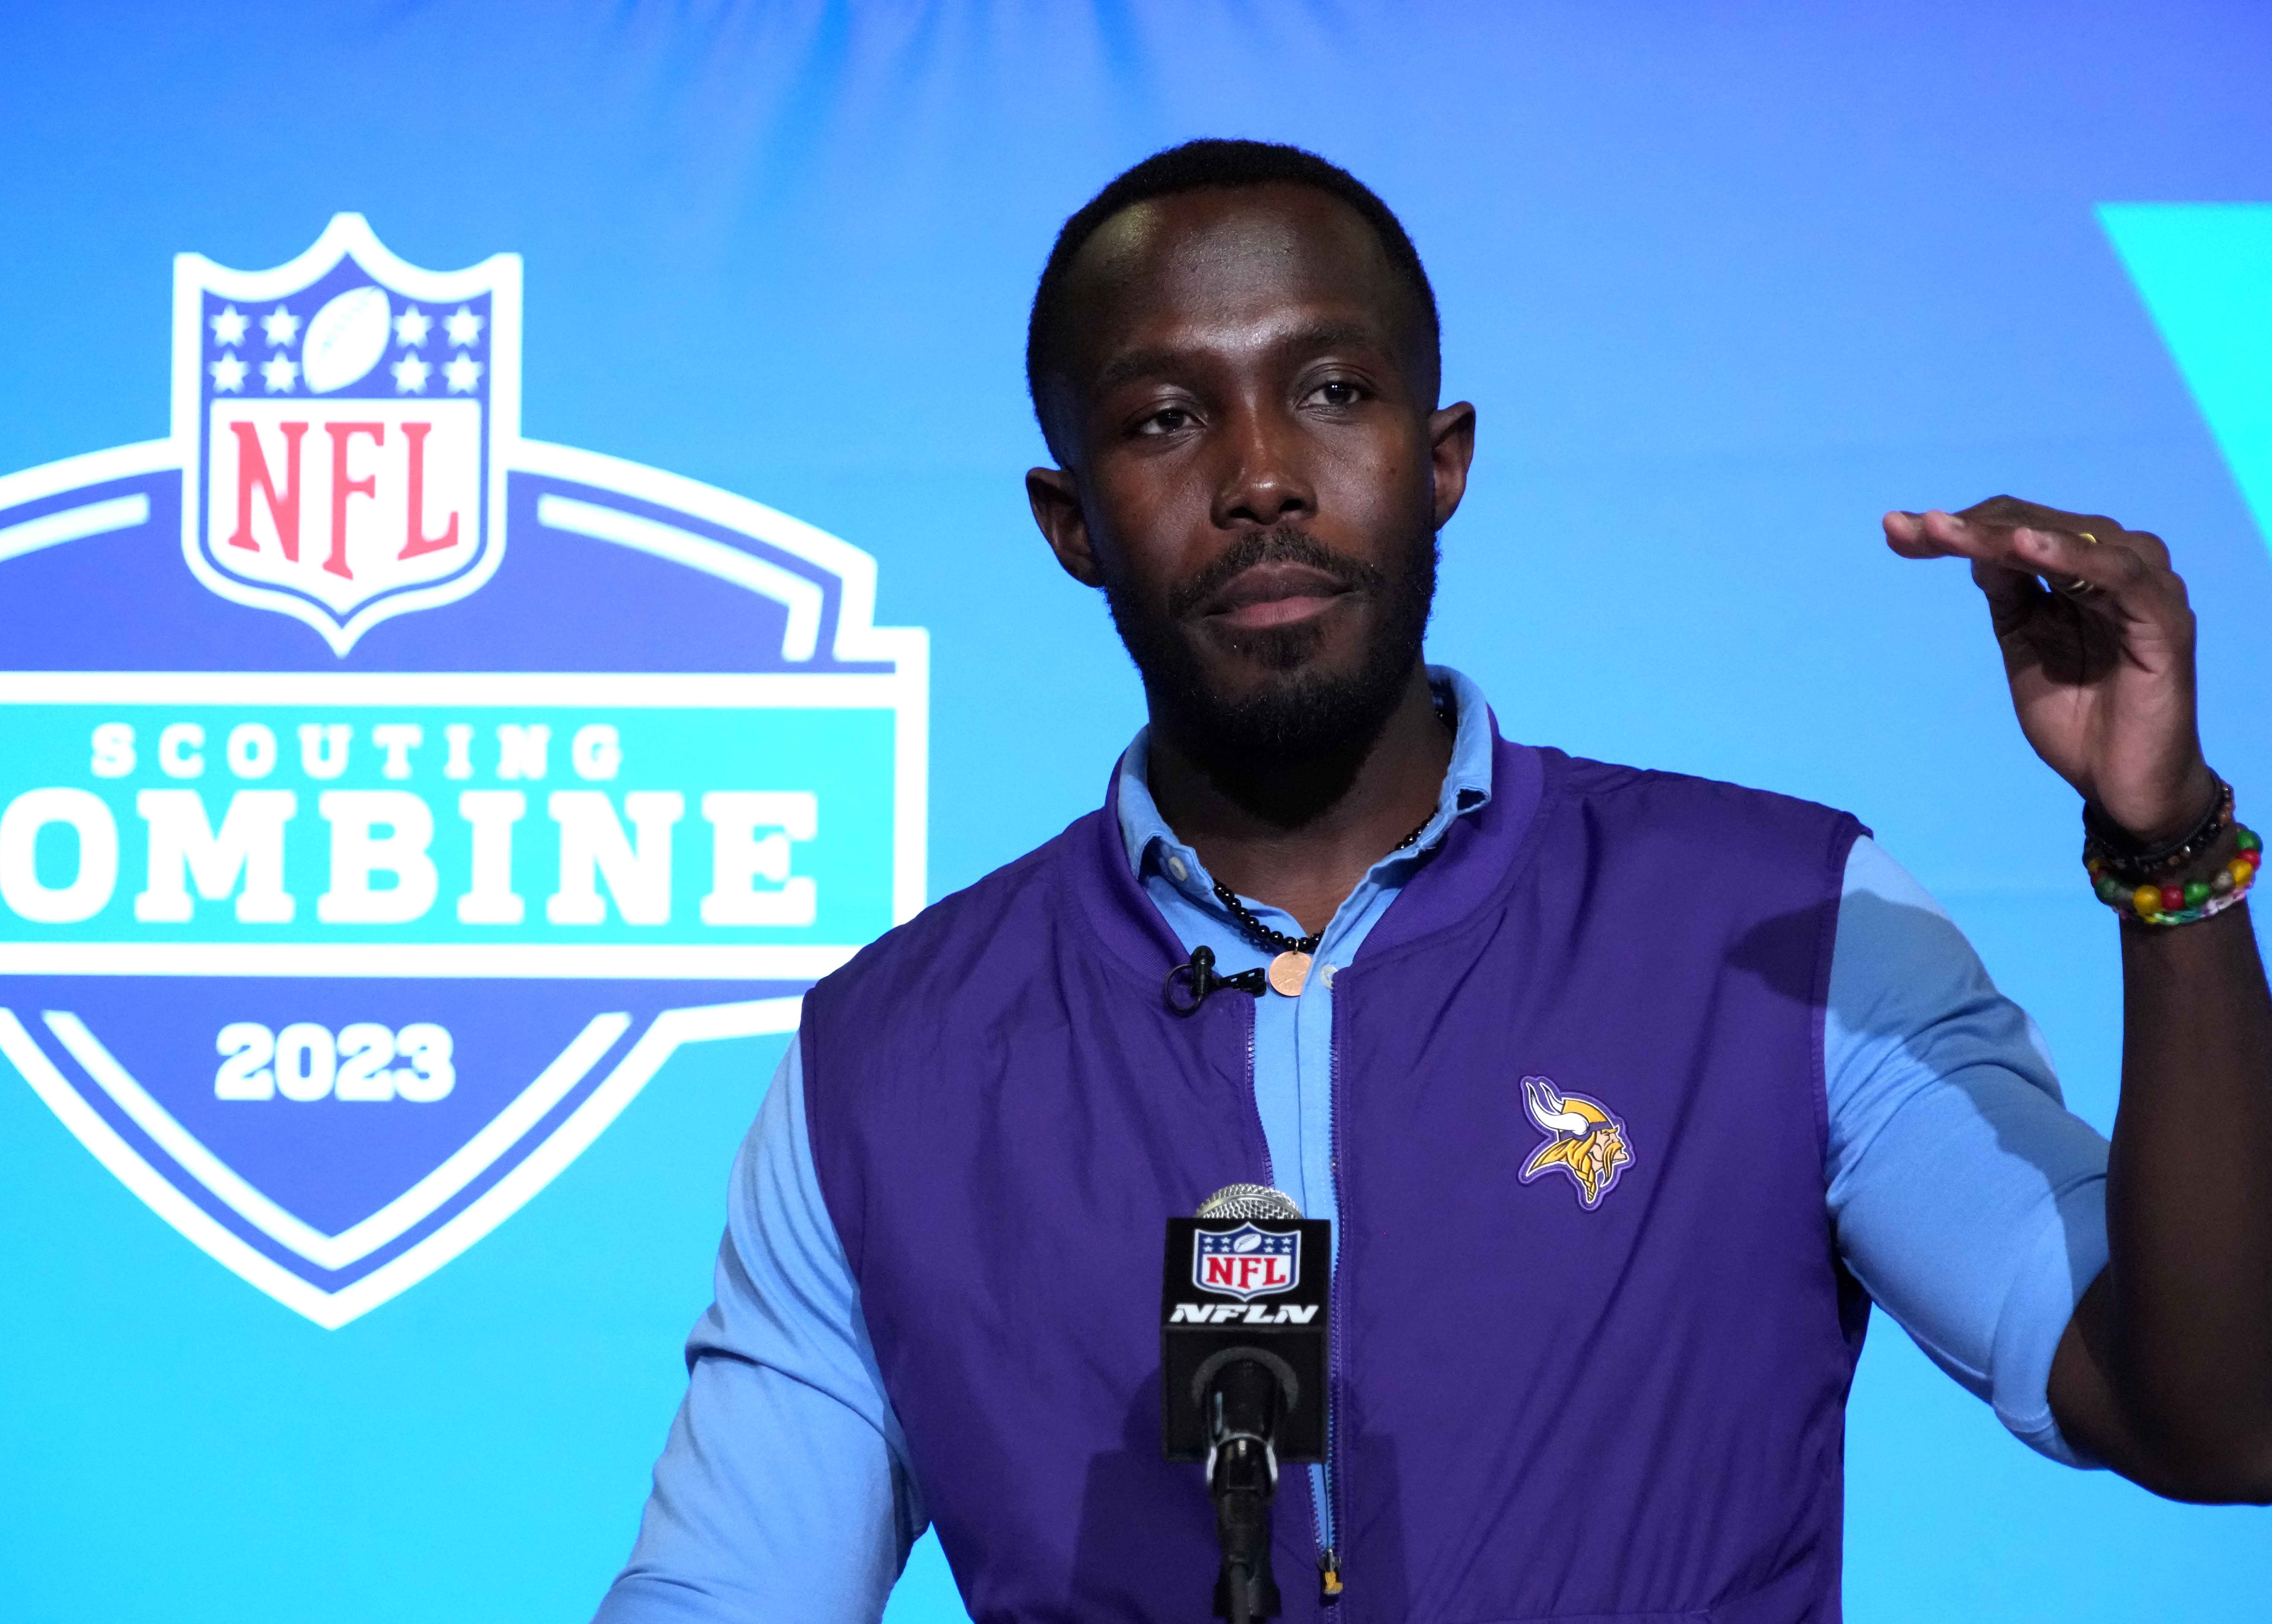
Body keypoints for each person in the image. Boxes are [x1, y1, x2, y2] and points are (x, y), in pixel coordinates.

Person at [594, 140, 2272, 1623]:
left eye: (1333, 391)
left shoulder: (1782, 928)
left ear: (1443, 455)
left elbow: (2220, 1418)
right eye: (1165, 419)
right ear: (1070, 520)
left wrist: (2170, 848)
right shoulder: (886, 1061)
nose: (1260, 475)